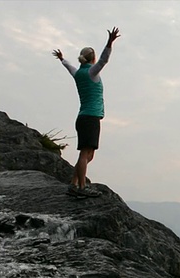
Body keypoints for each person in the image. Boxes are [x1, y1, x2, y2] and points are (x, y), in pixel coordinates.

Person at [52, 27, 120, 198]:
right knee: (85, 154)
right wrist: (109, 43)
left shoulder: (78, 73)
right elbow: (104, 60)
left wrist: (62, 59)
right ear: (92, 58)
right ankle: (81, 188)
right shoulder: (91, 72)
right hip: (90, 117)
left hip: (83, 117)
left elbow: (69, 66)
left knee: (88, 155)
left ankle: (74, 183)